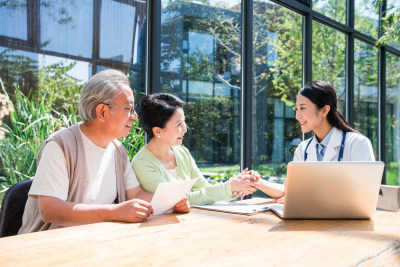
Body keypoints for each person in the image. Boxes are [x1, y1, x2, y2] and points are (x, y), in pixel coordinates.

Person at [18, 69, 188, 234]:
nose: (134, 116)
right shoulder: (60, 145)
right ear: (102, 112)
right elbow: (50, 210)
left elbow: (136, 193)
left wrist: (172, 203)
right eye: (128, 108)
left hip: (98, 240)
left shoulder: (117, 150)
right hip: (50, 247)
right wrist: (114, 212)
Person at [131, 93, 260, 205]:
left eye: (184, 122)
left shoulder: (183, 153)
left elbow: (204, 189)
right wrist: (228, 187)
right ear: (157, 131)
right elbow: (178, 200)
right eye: (179, 124)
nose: (185, 129)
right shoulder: (142, 164)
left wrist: (237, 186)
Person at [256, 80, 375, 200]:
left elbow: (366, 193)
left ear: (324, 110)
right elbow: (290, 190)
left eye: (302, 108)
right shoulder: (303, 149)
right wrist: (257, 182)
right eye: (296, 109)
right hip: (309, 217)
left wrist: (303, 199)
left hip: (347, 218)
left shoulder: (357, 144)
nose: (297, 116)